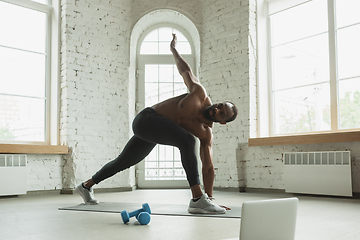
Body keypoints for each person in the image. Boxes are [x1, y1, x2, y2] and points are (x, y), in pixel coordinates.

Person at [76, 33, 238, 214]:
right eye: (219, 105)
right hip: (146, 119)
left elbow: (208, 167)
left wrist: (212, 199)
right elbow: (185, 71)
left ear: (222, 121)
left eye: (221, 112)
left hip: (156, 131)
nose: (216, 109)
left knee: (123, 161)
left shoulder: (205, 133)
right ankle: (197, 199)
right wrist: (174, 50)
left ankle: (85, 186)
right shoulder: (199, 94)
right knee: (188, 141)